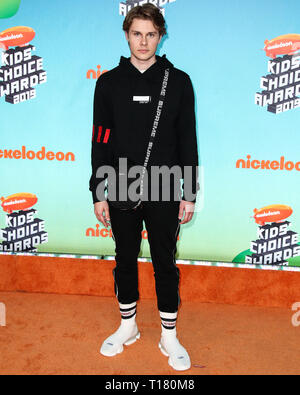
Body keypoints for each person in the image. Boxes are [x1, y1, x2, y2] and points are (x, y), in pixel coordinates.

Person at [89, 4, 199, 371]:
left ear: (161, 36)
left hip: (166, 186)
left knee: (164, 261)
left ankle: (169, 335)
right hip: (120, 183)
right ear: (126, 35)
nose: (144, 41)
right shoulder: (107, 83)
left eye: (151, 34)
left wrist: (190, 191)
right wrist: (98, 190)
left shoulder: (179, 81)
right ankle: (128, 327)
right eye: (137, 33)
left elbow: (188, 139)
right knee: (124, 258)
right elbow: (100, 141)